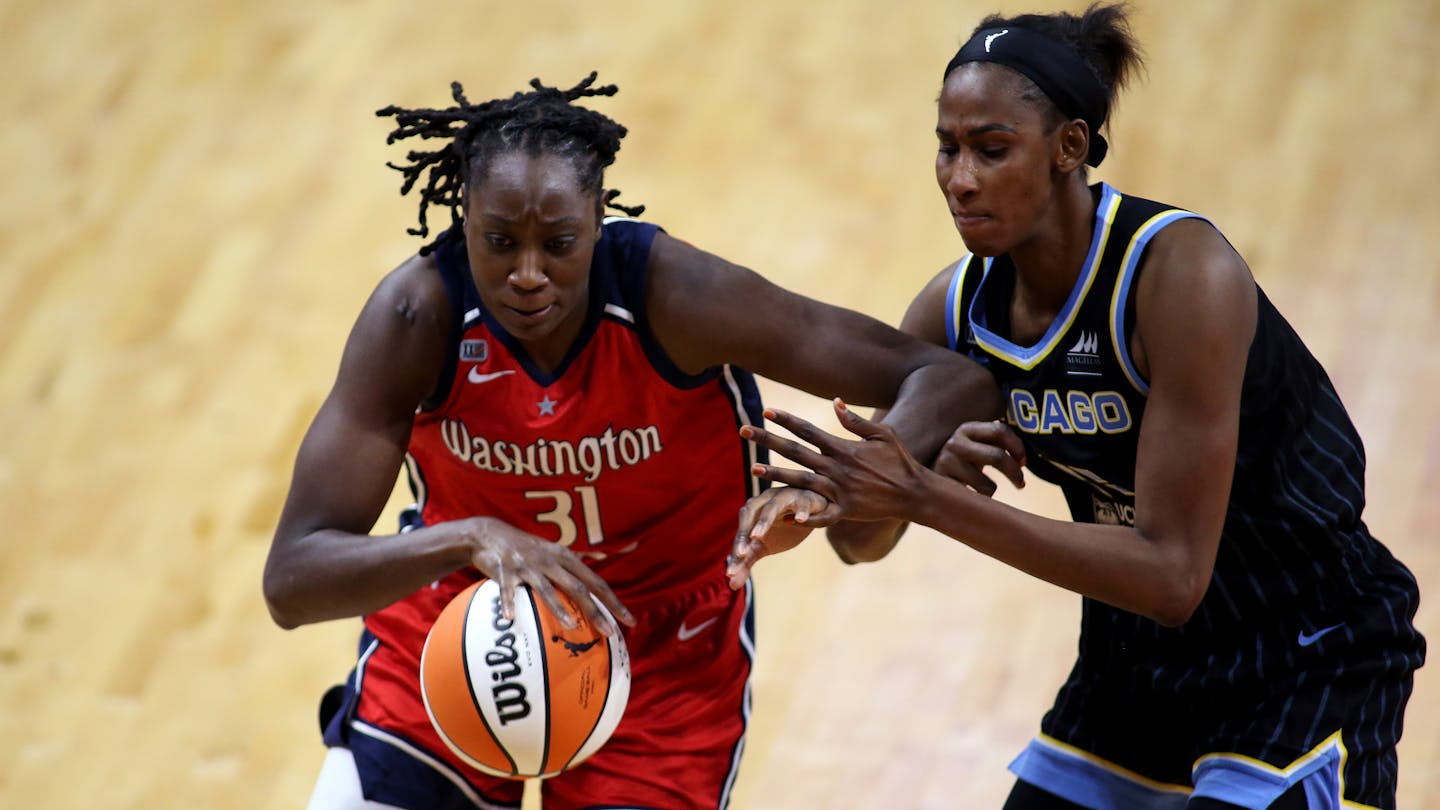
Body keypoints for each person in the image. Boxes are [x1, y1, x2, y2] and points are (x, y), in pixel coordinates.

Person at [725, 5, 1426, 809]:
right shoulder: (954, 315)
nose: (960, 178)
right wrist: (837, 498)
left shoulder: (1178, 275)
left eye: (992, 150)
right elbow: (862, 541)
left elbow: (1172, 574)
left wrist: (931, 499)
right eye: (947, 149)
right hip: (1133, 665)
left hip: (1303, 650)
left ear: (1069, 148)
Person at [262, 73, 998, 810]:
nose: (526, 274)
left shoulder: (678, 296)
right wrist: (469, 538)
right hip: (461, 620)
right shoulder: (415, 314)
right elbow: (292, 581)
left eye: (558, 244)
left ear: (599, 215)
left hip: (665, 655)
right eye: (497, 242)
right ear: (463, 217)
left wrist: (834, 483)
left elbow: (947, 379)